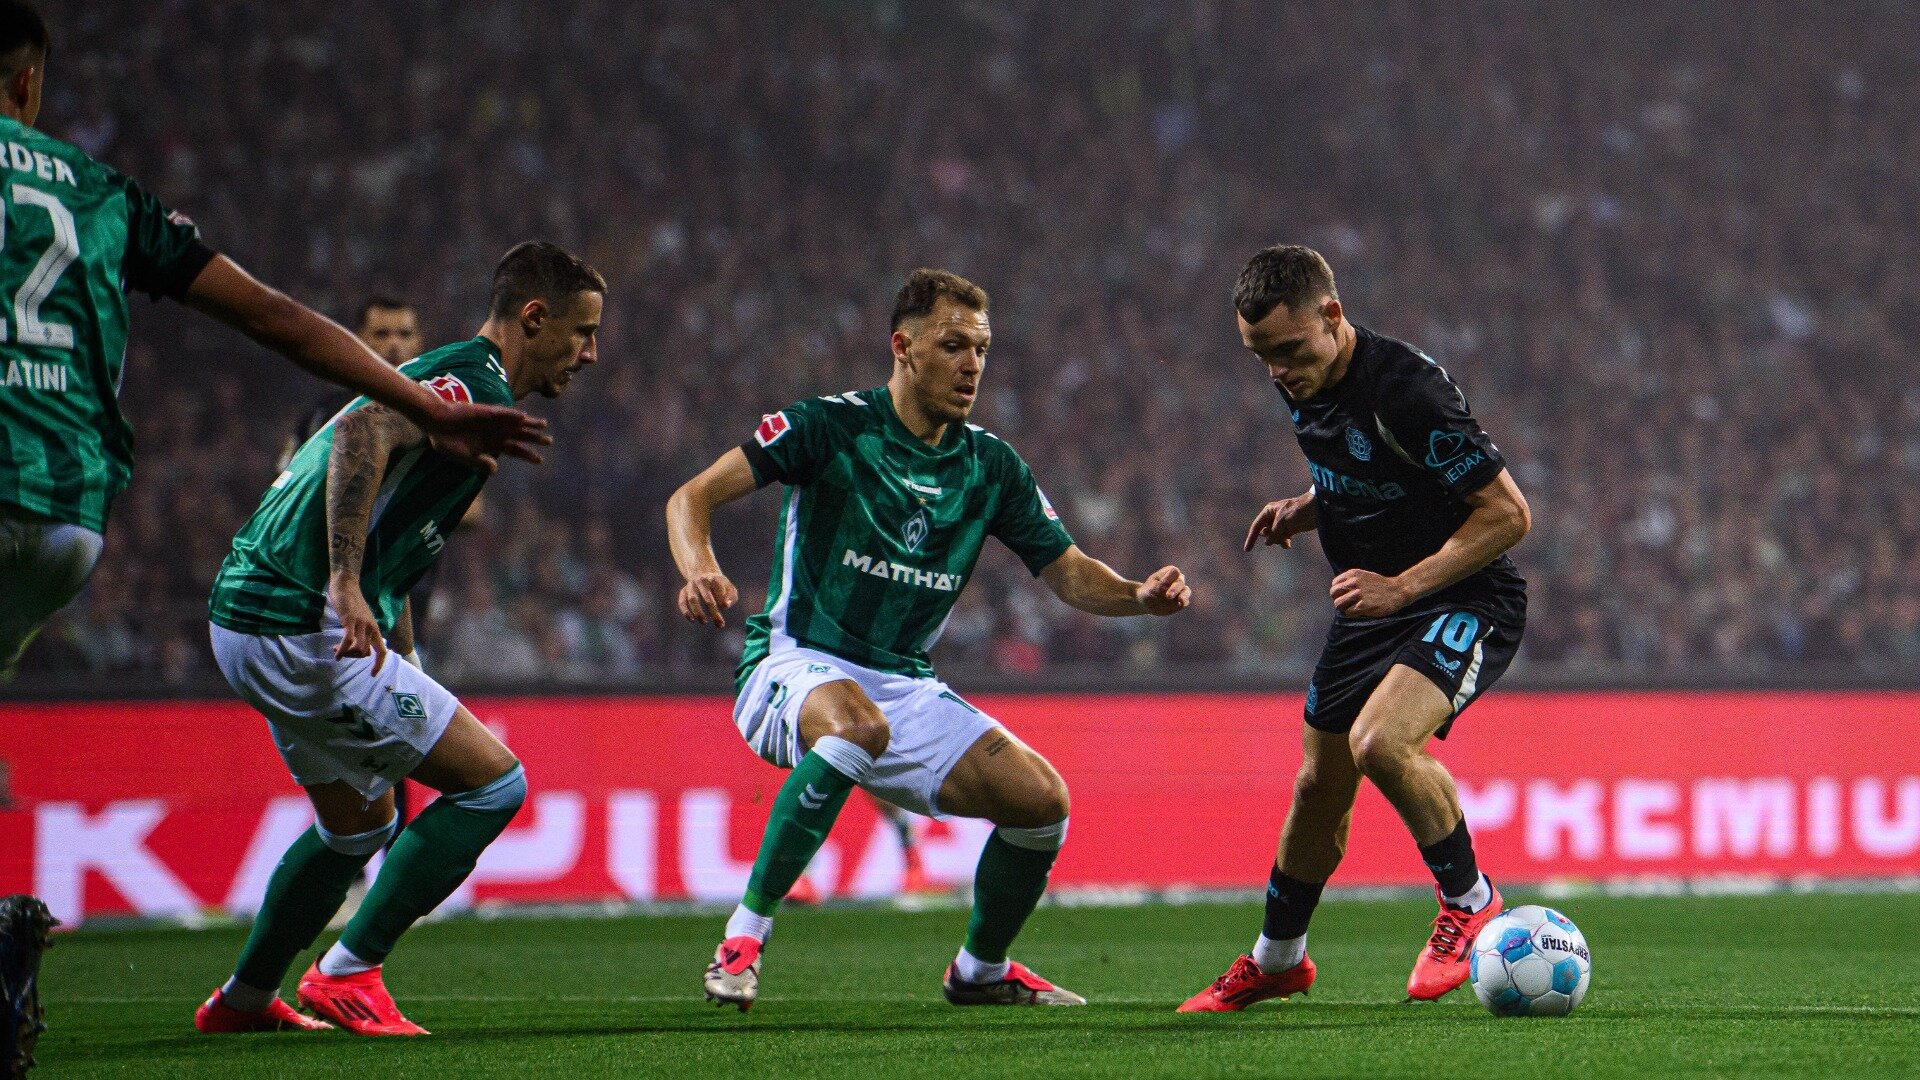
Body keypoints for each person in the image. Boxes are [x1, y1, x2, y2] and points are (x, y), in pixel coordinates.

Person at [667, 268, 1191, 1010]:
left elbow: (1069, 573)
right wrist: (699, 568)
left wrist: (1137, 596)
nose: (972, 365)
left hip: (902, 683)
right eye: (952, 346)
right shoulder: (829, 426)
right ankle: (742, 937)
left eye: (981, 349)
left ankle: (980, 970)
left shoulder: (990, 466)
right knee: (855, 725)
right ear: (903, 347)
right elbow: (691, 497)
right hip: (792, 661)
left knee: (1042, 803)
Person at [0, 2, 545, 680]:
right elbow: (270, 314)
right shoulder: (105, 193)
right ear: (27, 84)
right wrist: (428, 410)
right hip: (68, 516)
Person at [192, 241, 605, 1036]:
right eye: (582, 332)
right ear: (534, 317)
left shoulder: (464, 385)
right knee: (494, 786)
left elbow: (399, 546)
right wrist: (344, 580)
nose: (590, 353)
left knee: (360, 825)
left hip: (249, 614)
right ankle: (347, 973)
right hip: (298, 621)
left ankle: (244, 1000)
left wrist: (402, 651)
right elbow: (362, 432)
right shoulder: (472, 382)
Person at [1180, 245, 1530, 1011]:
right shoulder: (1303, 376)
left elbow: (1508, 515)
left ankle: (1471, 902)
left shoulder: (1408, 392)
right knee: (1318, 786)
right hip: (1373, 608)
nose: (1276, 371)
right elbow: (1373, 469)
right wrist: (1309, 507)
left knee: (1380, 743)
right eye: (1260, 356)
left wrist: (1401, 586)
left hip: (1462, 596)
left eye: (1287, 350)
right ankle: (1278, 958)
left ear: (1333, 316)